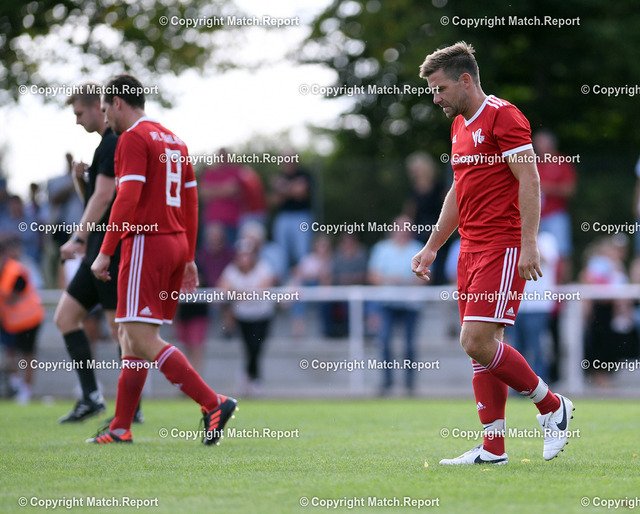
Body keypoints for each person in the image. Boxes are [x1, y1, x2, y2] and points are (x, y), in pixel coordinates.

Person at [412, 42, 574, 465]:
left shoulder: (504, 116)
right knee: (482, 348)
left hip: (502, 247)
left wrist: (529, 243)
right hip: (469, 249)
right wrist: (432, 246)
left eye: (440, 88)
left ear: (465, 80)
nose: (436, 98)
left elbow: (530, 180)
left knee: (475, 340)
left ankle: (552, 406)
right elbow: (458, 191)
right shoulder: (458, 127)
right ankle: (493, 448)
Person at [89, 74, 236, 445]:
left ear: (118, 102)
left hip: (146, 243)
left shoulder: (133, 138)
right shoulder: (175, 141)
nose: (105, 117)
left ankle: (213, 402)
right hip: (173, 242)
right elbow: (191, 202)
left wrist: (105, 252)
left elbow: (126, 198)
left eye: (105, 108)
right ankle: (120, 427)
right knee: (130, 336)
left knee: (140, 336)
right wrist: (188, 256)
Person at [53, 84, 141, 423]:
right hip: (96, 252)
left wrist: (77, 237)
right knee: (65, 318)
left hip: (109, 252)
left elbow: (104, 198)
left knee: (121, 331)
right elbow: (98, 198)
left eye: (79, 113)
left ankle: (130, 408)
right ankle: (92, 397)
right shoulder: (106, 146)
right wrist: (81, 181)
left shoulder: (111, 144)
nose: (77, 121)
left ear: (97, 107)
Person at [368, 216, 424, 395]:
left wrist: (405, 282)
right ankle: (387, 382)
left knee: (409, 344)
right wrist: (392, 279)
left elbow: (424, 277)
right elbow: (373, 276)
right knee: (384, 341)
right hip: (387, 303)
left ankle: (409, 384)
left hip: (410, 305)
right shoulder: (381, 249)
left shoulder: (418, 248)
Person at [218, 238, 276, 396]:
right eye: (242, 255)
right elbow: (222, 289)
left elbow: (264, 287)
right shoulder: (232, 270)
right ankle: (253, 378)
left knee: (257, 347)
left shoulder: (263, 267)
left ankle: (251, 377)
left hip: (262, 315)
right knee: (248, 347)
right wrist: (245, 293)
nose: (245, 258)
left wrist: (239, 293)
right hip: (243, 316)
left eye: (248, 255)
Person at [0, 236, 44, 404]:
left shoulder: (16, 271)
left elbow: (11, 297)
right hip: (9, 322)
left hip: (28, 320)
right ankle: (15, 384)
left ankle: (26, 390)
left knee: (27, 355)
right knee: (10, 352)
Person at [533, 130, 576, 283]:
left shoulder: (562, 162)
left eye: (541, 142)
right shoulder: (534, 163)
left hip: (556, 215)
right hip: (535, 216)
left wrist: (546, 188)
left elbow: (569, 190)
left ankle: (563, 289)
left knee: (562, 252)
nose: (537, 145)